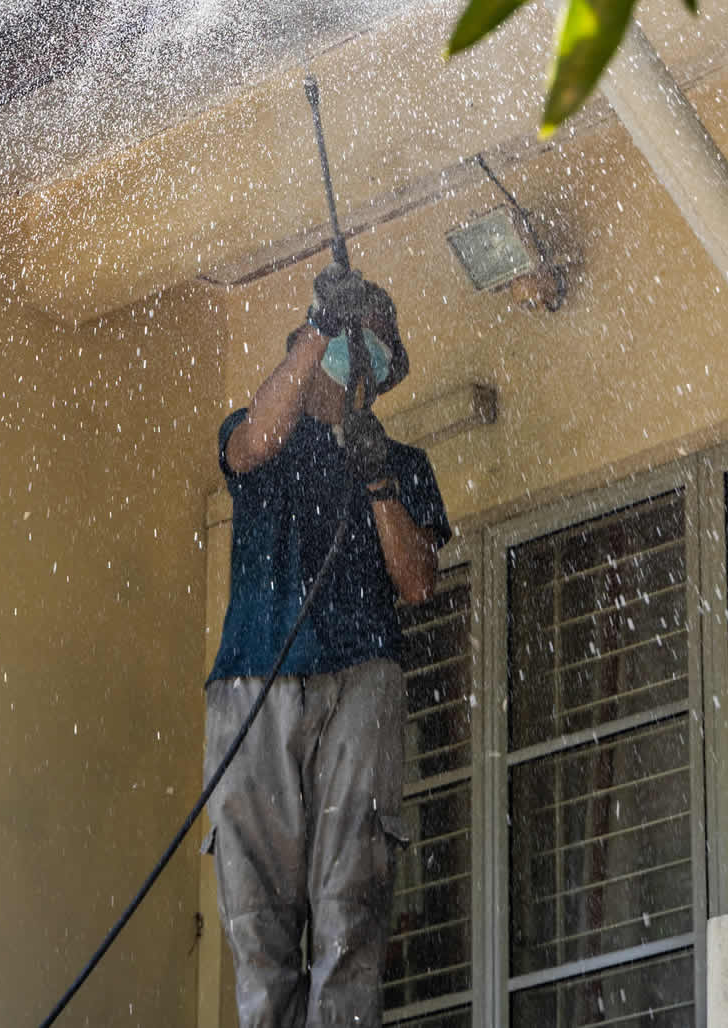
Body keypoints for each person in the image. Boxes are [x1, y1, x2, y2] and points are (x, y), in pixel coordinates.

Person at [203, 263, 452, 1028]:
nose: (357, 368)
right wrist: (320, 325)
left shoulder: (403, 464)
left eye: (370, 357)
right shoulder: (266, 434)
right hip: (255, 677)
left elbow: (416, 581)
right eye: (352, 348)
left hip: (361, 678)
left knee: (351, 895)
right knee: (258, 907)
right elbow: (250, 442)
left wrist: (377, 480)